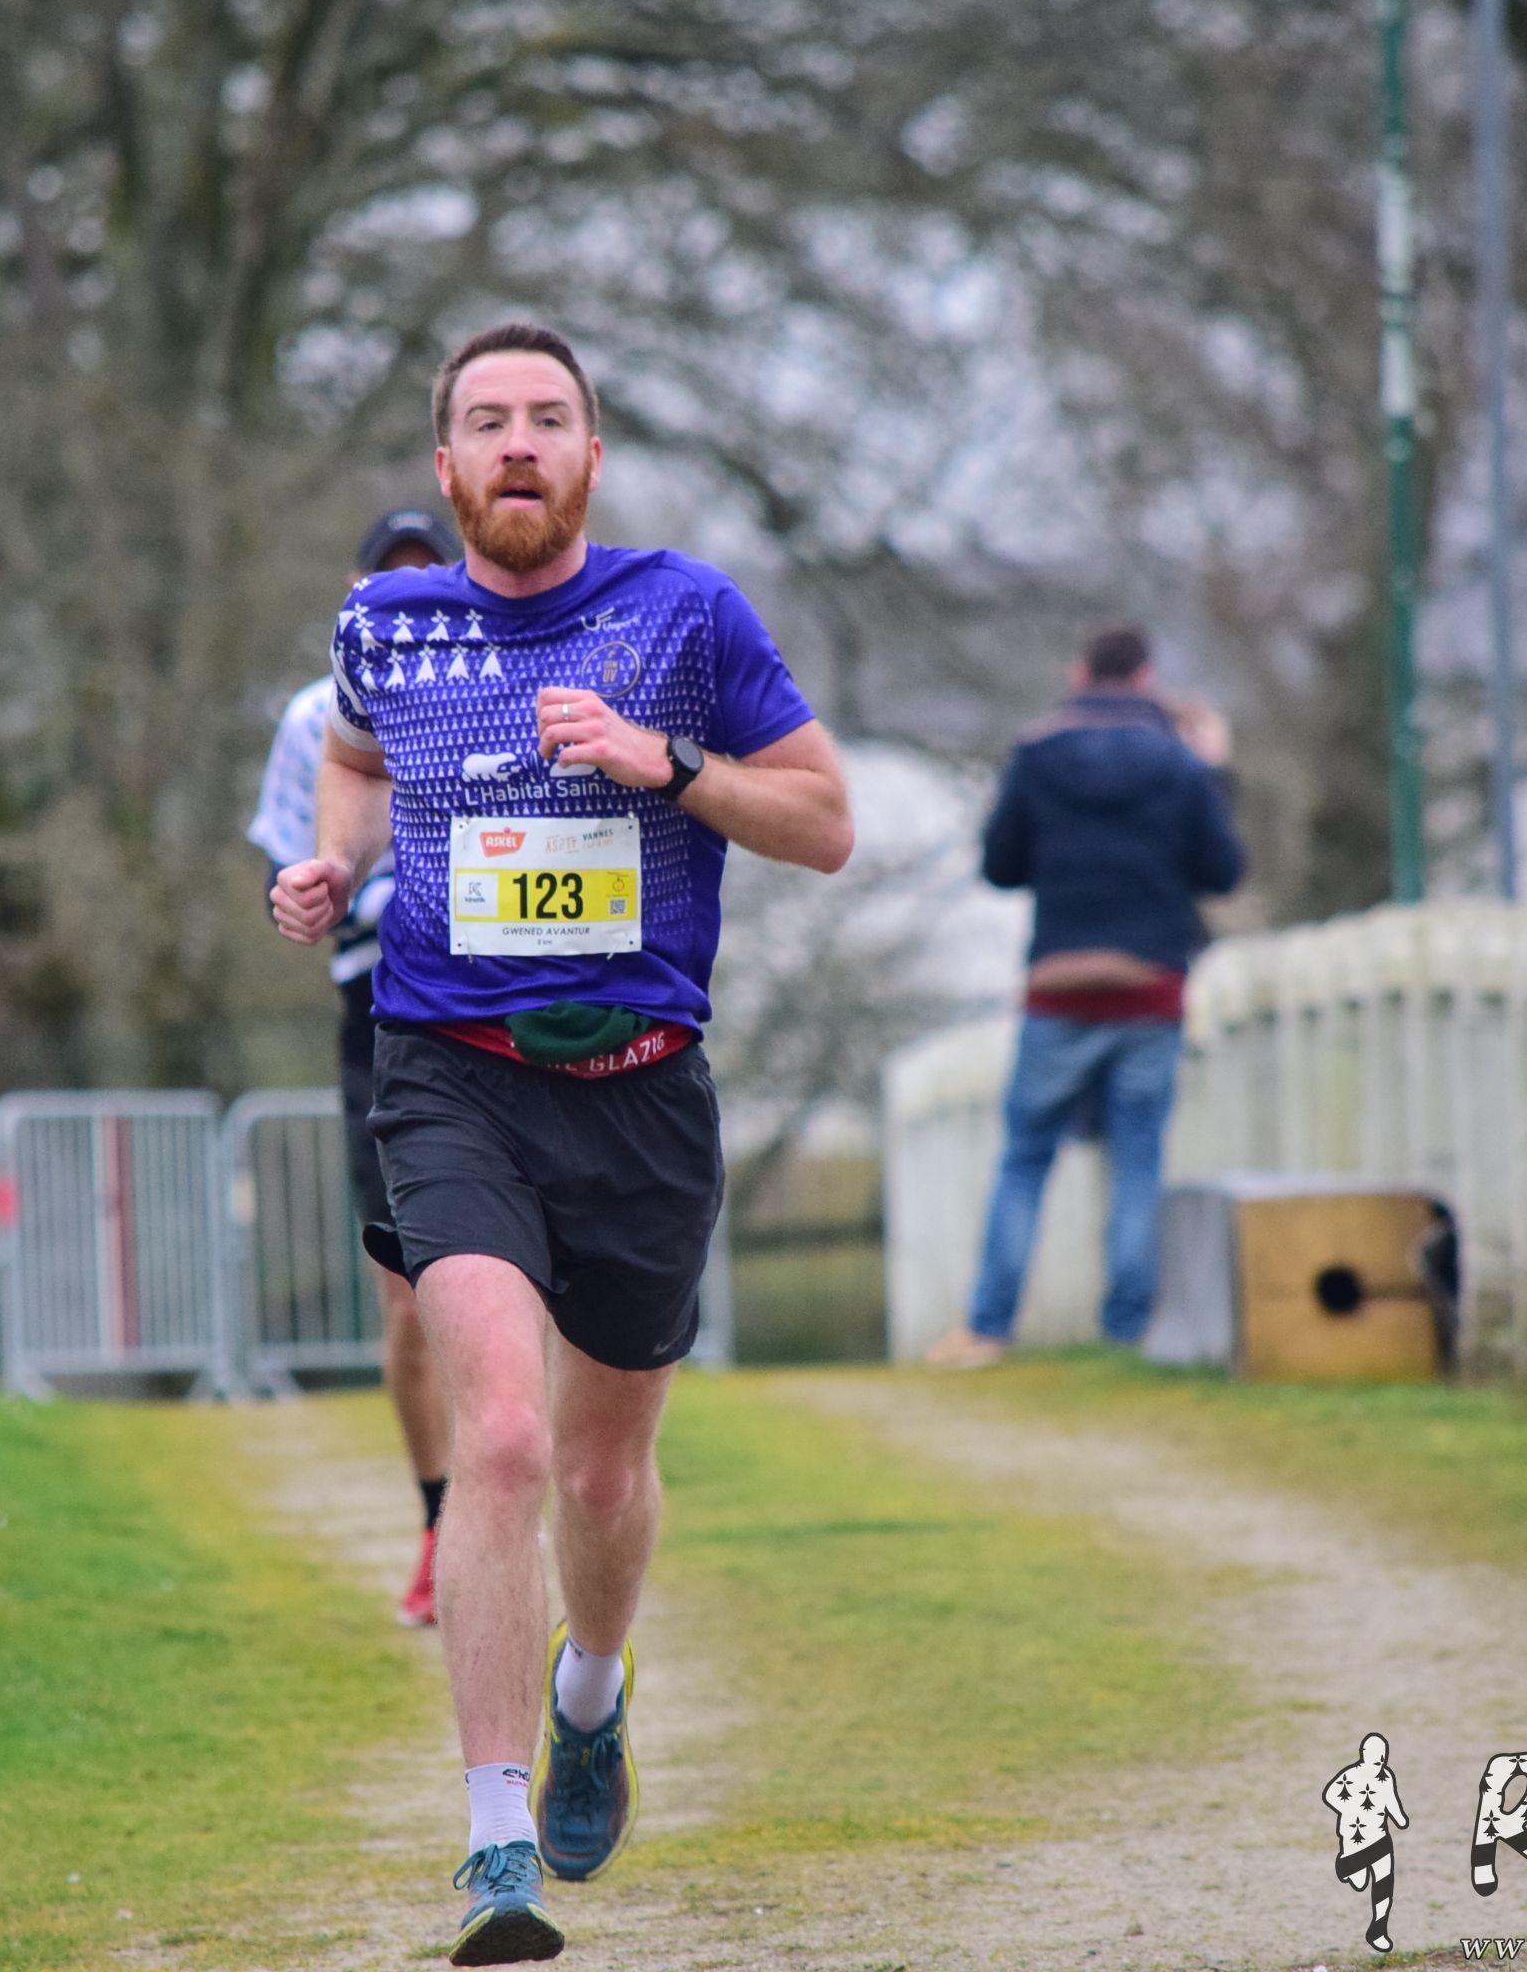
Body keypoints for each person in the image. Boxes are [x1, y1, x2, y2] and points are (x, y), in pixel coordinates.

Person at [270, 321, 851, 1966]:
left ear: (591, 456)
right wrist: (330, 865)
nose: (517, 442)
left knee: (600, 1469)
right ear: (446, 466)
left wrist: (668, 763)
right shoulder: (385, 625)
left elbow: (825, 823)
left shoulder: (686, 616)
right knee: (507, 1441)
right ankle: (495, 1842)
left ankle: (590, 1694)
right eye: (486, 421)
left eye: (547, 418)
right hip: (449, 1075)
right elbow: (353, 753)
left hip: (642, 1090)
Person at [249, 506, 468, 1626]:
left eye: (432, 575)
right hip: (378, 1009)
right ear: (356, 591)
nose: (411, 597)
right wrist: (312, 890)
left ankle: (514, 1513)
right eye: (392, 579)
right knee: (410, 1295)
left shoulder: (502, 689)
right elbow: (292, 866)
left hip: (497, 998)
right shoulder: (314, 717)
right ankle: (441, 1523)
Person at [928, 626, 1245, 1370]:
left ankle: (989, 1329)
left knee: (1025, 1160)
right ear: (1146, 679)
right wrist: (1214, 772)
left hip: (1058, 988)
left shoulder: (1036, 754)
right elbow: (1223, 871)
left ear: (1079, 674)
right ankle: (1128, 1330)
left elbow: (1001, 867)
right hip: (1151, 988)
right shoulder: (1177, 761)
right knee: (1138, 1162)